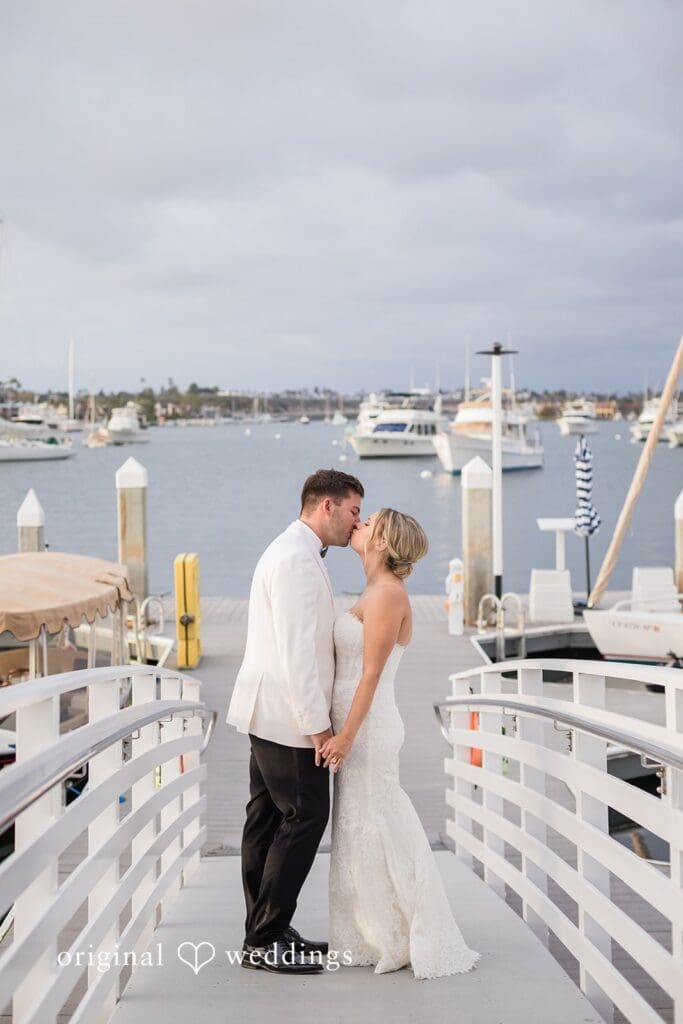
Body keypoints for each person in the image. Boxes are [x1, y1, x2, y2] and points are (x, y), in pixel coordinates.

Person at [321, 509, 480, 979]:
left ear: (383, 543)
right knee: (358, 829)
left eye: (369, 523)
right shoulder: (373, 591)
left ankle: (402, 933)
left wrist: (346, 735)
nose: (360, 524)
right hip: (356, 726)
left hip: (368, 729)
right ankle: (371, 931)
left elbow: (370, 674)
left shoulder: (388, 595)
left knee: (379, 823)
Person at [226, 468, 364, 975]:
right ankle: (264, 939)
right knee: (305, 817)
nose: (358, 522)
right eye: (353, 510)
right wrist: (319, 727)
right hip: (286, 715)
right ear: (326, 506)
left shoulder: (294, 551)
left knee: (265, 819)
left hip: (269, 710)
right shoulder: (295, 561)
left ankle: (265, 928)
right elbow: (297, 654)